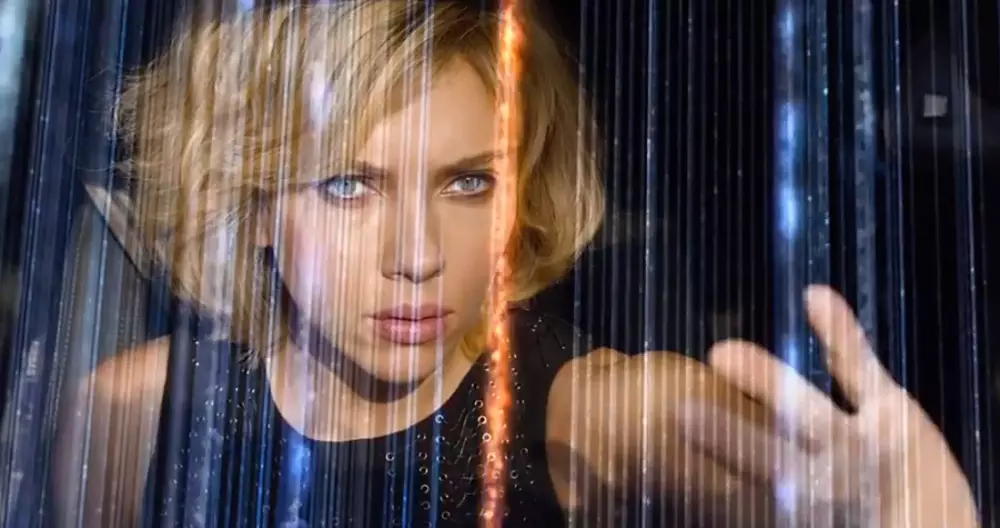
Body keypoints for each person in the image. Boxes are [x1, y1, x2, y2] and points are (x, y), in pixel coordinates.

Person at [52, 1, 979, 526]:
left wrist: (884, 503)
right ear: (252, 202)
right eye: (347, 185)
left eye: (468, 183)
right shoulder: (132, 413)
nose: (417, 257)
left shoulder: (576, 413)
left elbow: (674, 426)